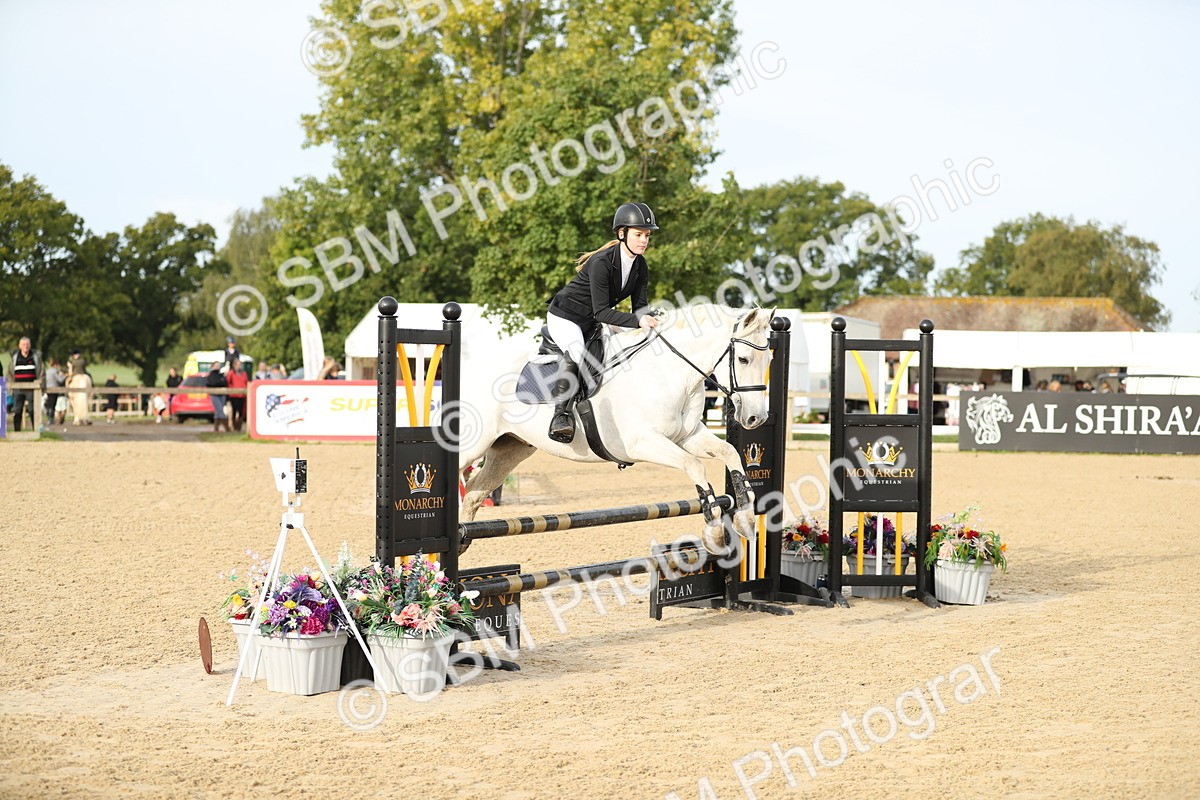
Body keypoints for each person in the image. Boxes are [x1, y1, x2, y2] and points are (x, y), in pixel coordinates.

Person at [543, 202, 660, 443]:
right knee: (577, 352)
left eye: (647, 235)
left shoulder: (640, 265)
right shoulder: (602, 262)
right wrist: (639, 321)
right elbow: (602, 313)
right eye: (638, 234)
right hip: (566, 315)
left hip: (592, 319)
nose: (644, 240)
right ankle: (561, 416)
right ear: (622, 233)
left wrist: (652, 321)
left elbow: (639, 308)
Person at [7, 336, 41, 432]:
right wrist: (11, 385)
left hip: (32, 388)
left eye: (27, 344)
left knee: (32, 410)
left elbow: (41, 372)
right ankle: (17, 431)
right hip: (18, 388)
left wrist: (39, 382)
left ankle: (35, 431)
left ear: (30, 345)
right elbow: (9, 373)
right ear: (20, 346)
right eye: (23, 344)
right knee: (17, 410)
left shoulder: (35, 357)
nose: (26, 346)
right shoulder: (15, 358)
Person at [42, 357, 67, 429]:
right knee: (52, 404)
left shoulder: (47, 371)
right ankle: (50, 418)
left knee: (50, 403)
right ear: (55, 365)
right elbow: (60, 380)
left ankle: (50, 417)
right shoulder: (54, 371)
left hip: (48, 389)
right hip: (54, 389)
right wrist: (65, 376)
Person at [225, 358, 248, 432]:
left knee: (241, 412)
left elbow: (246, 382)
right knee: (234, 411)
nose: (239, 366)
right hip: (234, 395)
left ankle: (239, 427)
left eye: (240, 364)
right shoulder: (231, 373)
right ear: (234, 365)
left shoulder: (244, 373)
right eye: (237, 364)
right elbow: (228, 382)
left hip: (242, 395)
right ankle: (234, 427)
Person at [206, 361, 229, 432]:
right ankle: (227, 427)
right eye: (216, 365)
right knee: (219, 410)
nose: (217, 367)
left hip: (222, 394)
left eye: (218, 365)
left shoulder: (221, 375)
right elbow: (212, 383)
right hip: (214, 395)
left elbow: (225, 383)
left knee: (217, 411)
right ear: (212, 366)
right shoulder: (211, 375)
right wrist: (220, 383)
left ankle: (216, 428)